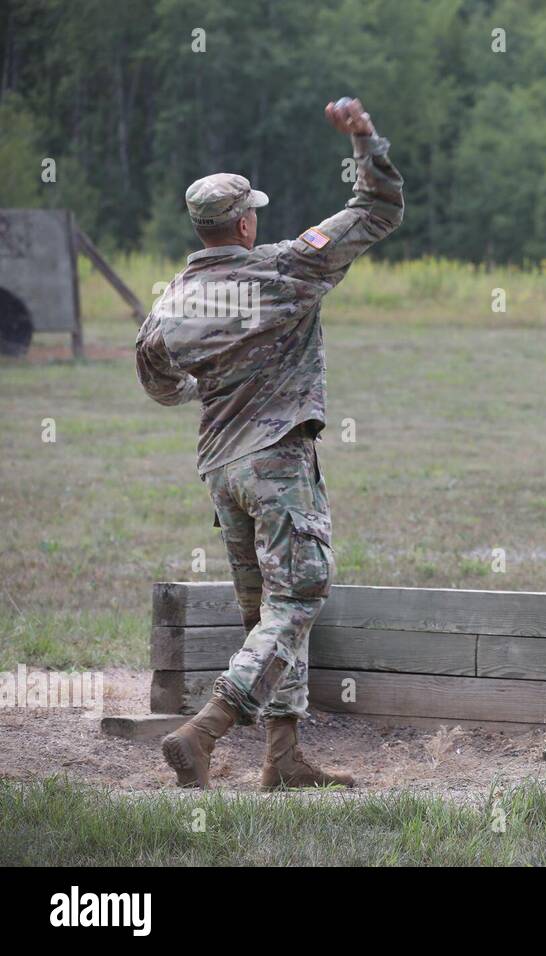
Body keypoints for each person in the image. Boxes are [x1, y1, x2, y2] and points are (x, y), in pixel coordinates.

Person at [135, 98, 403, 789]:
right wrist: (364, 140)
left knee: (265, 614)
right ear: (246, 221)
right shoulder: (287, 268)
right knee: (298, 598)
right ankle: (205, 731)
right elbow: (378, 210)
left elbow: (160, 383)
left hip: (222, 470)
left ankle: (283, 762)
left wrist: (209, 389)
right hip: (279, 459)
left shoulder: (170, 304)